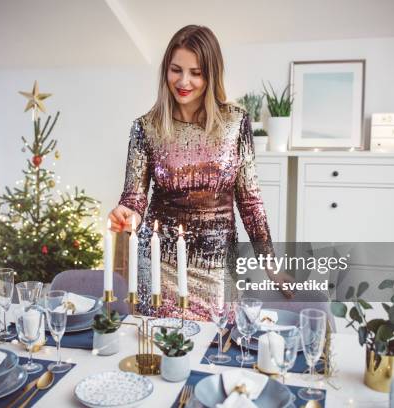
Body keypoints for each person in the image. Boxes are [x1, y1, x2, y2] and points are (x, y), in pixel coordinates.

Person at [109, 25, 286, 320]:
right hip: (158, 262)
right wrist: (127, 213)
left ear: (211, 75)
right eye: (176, 70)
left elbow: (250, 202)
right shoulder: (145, 127)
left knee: (215, 352)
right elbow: (134, 198)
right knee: (158, 352)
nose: (184, 81)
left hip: (217, 266)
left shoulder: (235, 122)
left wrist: (271, 265)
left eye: (196, 72)